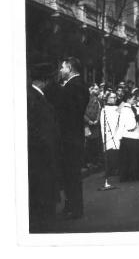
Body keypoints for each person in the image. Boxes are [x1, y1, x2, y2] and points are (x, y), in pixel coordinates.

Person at [54, 57, 89, 219]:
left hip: (70, 137)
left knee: (71, 174)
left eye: (63, 67)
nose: (61, 70)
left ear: (70, 68)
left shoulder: (74, 86)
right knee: (70, 174)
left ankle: (74, 209)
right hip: (72, 136)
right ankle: (72, 206)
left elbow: (70, 113)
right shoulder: (76, 85)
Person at [27, 61, 58, 232]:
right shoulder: (34, 98)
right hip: (41, 153)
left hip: (42, 152)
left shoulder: (35, 96)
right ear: (45, 80)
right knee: (42, 189)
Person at [99, 91, 120, 182]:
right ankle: (109, 170)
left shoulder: (118, 108)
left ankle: (116, 168)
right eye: (111, 97)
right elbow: (102, 122)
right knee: (108, 151)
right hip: (108, 132)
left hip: (117, 132)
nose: (114, 99)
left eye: (115, 97)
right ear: (107, 98)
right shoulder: (104, 109)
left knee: (116, 150)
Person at [83, 84, 102, 170]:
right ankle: (88, 162)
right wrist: (88, 121)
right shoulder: (85, 100)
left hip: (95, 125)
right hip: (87, 125)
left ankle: (95, 162)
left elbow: (99, 111)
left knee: (95, 143)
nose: (96, 91)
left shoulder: (98, 101)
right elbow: (83, 112)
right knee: (88, 144)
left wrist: (97, 120)